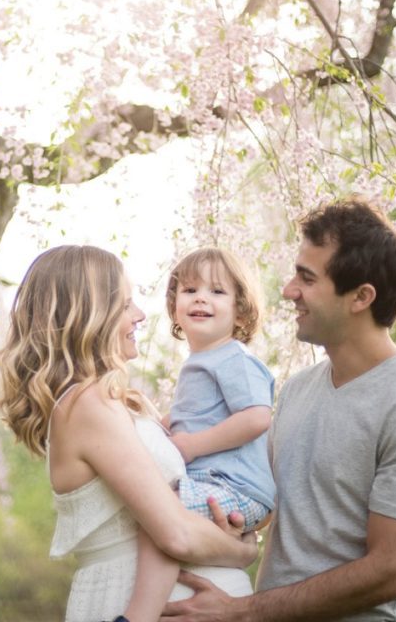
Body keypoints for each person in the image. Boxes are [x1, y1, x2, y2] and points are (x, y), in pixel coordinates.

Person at [162, 198, 396, 622]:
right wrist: (235, 522)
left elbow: (389, 572)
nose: (288, 290)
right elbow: (268, 505)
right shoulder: (297, 390)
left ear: (361, 297)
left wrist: (242, 610)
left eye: (306, 278)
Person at [0, 245, 256, 622]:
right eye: (124, 305)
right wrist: (244, 552)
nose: (140, 315)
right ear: (88, 315)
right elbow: (175, 535)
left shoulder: (118, 403)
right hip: (128, 601)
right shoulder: (87, 404)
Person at [123, 248, 275, 622]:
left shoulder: (234, 357)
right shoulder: (201, 362)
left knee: (159, 510)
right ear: (175, 306)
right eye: (190, 290)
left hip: (237, 488)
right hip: (220, 484)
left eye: (217, 291)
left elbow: (257, 417)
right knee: (159, 510)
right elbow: (197, 415)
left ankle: (138, 615)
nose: (201, 298)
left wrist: (192, 445)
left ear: (240, 310)